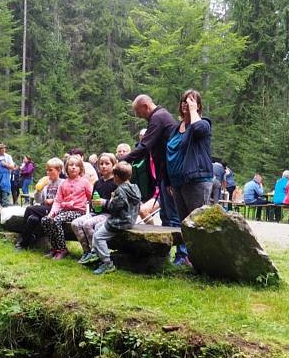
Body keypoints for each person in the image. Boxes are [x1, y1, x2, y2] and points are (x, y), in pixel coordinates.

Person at [120, 94, 184, 263]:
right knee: (165, 215)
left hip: (171, 174)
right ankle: (164, 254)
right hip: (165, 173)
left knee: (173, 215)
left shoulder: (158, 117)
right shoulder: (158, 117)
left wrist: (122, 160)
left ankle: (182, 255)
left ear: (146, 106)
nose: (137, 116)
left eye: (138, 112)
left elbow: (144, 146)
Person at [166, 89, 213, 266]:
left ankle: (205, 262)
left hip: (197, 181)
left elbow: (199, 130)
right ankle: (189, 260)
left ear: (198, 105)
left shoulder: (203, 123)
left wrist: (193, 112)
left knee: (198, 224)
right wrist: (170, 181)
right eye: (184, 101)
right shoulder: (175, 129)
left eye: (191, 101)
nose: (186, 104)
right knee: (185, 225)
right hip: (178, 183)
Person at [89, 162, 142, 275]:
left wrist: (107, 202)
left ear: (116, 177)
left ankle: (107, 263)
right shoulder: (134, 188)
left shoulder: (120, 191)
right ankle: (96, 254)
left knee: (98, 237)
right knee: (98, 226)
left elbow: (114, 208)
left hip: (120, 222)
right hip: (130, 219)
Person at [41, 155, 93, 260]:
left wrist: (91, 212)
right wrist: (52, 212)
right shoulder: (63, 183)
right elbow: (58, 201)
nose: (73, 167)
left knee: (56, 220)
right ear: (66, 168)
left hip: (78, 212)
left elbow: (92, 197)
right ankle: (54, 248)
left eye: (77, 165)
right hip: (64, 211)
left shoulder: (85, 182)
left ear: (81, 169)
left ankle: (62, 249)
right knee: (45, 219)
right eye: (71, 165)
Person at [73, 153, 118, 264]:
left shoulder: (116, 183)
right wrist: (93, 204)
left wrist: (104, 203)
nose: (103, 166)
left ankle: (96, 252)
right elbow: (92, 199)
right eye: (101, 164)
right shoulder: (98, 182)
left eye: (107, 163)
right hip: (96, 213)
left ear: (114, 165)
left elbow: (117, 205)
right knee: (75, 223)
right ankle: (86, 252)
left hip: (109, 214)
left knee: (88, 224)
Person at [16, 158, 64, 249]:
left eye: (50, 170)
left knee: (29, 209)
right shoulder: (46, 183)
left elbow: (65, 199)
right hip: (44, 209)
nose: (48, 173)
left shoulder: (63, 183)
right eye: (47, 170)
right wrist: (38, 191)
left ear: (59, 170)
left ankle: (22, 239)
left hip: (56, 209)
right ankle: (25, 243)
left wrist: (53, 200)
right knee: (32, 218)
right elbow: (38, 200)